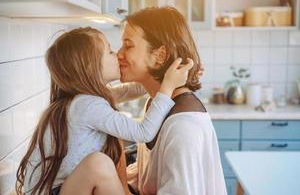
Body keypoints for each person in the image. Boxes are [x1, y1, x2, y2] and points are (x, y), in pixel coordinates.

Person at [15, 27, 194, 195]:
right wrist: (169, 85)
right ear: (91, 67)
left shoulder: (81, 100)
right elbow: (144, 132)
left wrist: (169, 76)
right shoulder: (87, 105)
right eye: (109, 51)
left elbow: (132, 90)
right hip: (57, 190)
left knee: (100, 163)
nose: (117, 54)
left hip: (66, 188)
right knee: (99, 164)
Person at [118, 7, 227, 195]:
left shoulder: (183, 126)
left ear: (160, 56)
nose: (119, 54)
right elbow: (151, 174)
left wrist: (119, 178)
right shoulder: (157, 103)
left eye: (128, 46)